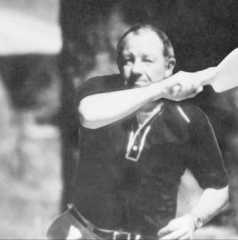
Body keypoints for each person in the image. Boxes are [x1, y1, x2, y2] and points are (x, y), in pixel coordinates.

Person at [47, 24, 229, 240]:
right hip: (82, 233)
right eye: (128, 60)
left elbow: (218, 189)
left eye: (148, 60)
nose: (136, 69)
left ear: (169, 66)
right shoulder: (98, 90)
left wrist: (193, 219)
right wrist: (161, 88)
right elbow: (89, 115)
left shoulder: (190, 120)